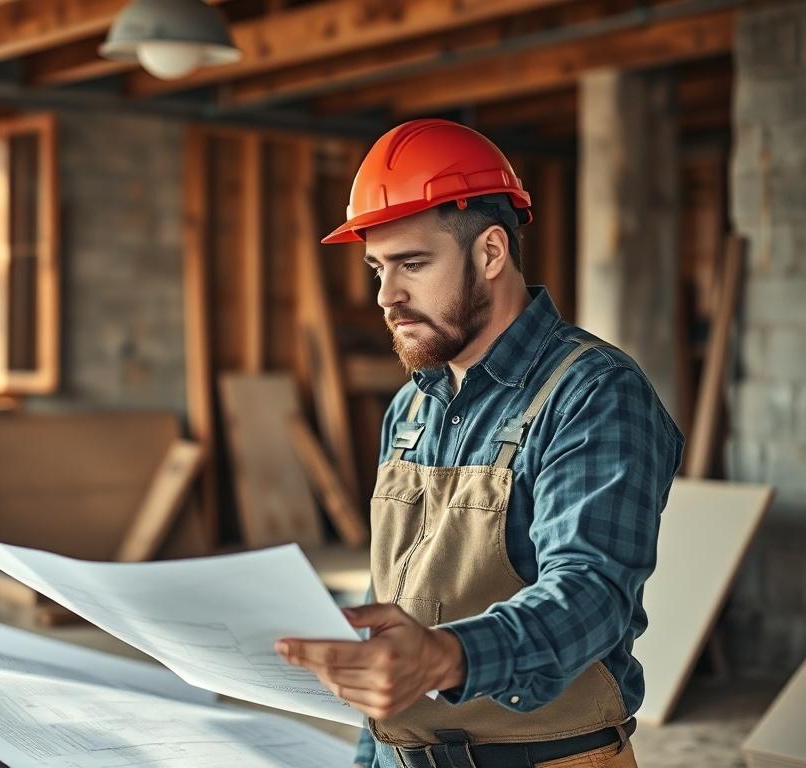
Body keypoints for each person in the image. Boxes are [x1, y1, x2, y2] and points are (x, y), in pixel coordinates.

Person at [273, 118, 684, 768]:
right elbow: (395, 622)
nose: (387, 296)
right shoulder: (410, 407)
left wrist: (447, 656)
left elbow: (592, 591)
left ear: (491, 253)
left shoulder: (593, 392)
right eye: (377, 267)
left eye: (412, 263)